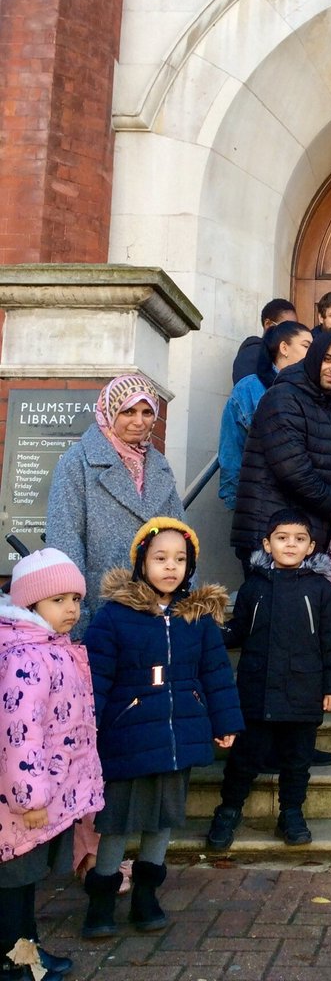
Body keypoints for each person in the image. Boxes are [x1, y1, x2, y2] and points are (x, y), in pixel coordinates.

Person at [82, 519, 243, 938]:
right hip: (127, 736)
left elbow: (215, 673)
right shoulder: (114, 617)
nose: (170, 567)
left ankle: (146, 895)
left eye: (180, 559)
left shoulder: (198, 618)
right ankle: (102, 898)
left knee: (161, 820)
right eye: (160, 558)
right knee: (116, 821)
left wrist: (225, 720)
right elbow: (96, 678)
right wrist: (86, 730)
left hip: (177, 736)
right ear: (141, 562)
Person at [206, 510, 331, 850]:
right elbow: (240, 630)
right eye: (282, 538)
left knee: (297, 760)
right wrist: (209, 633)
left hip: (303, 690)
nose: (290, 544)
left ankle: (292, 813)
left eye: (299, 539)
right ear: (268, 544)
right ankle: (228, 810)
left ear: (311, 547)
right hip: (257, 689)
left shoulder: (321, 590)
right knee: (244, 758)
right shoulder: (254, 587)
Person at [0, 550, 104, 981]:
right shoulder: (26, 656)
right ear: (29, 605)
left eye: (75, 599)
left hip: (38, 795)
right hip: (21, 801)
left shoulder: (53, 649)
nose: (71, 609)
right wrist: (31, 798)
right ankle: (12, 963)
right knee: (13, 883)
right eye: (58, 600)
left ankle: (28, 951)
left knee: (24, 883)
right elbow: (18, 736)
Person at [45, 374, 185, 636]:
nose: (139, 421)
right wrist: (78, 616)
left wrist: (184, 607)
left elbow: (182, 537)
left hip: (157, 610)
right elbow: (65, 542)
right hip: (101, 608)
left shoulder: (159, 467)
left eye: (146, 412)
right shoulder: (78, 462)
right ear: (109, 411)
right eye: (128, 411)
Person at [231, 330, 331, 555]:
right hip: (269, 533)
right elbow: (294, 470)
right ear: (315, 357)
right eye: (328, 359)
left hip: (309, 533)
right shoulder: (282, 397)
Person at [218, 321, 313, 515]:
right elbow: (231, 449)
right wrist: (235, 500)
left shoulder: (317, 391)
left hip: (308, 502)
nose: (312, 353)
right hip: (259, 503)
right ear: (284, 347)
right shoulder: (248, 389)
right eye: (306, 346)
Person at [231, 298, 297, 385]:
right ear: (268, 324)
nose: (292, 333)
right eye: (287, 327)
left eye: (295, 327)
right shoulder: (250, 354)